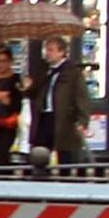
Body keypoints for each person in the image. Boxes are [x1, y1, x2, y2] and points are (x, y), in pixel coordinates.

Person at [40, 36, 92, 170]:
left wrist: (82, 120)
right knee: (41, 153)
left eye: (51, 50)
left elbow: (81, 97)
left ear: (61, 52)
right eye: (47, 49)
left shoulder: (72, 72)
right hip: (46, 116)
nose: (47, 53)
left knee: (65, 155)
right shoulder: (46, 71)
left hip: (64, 118)